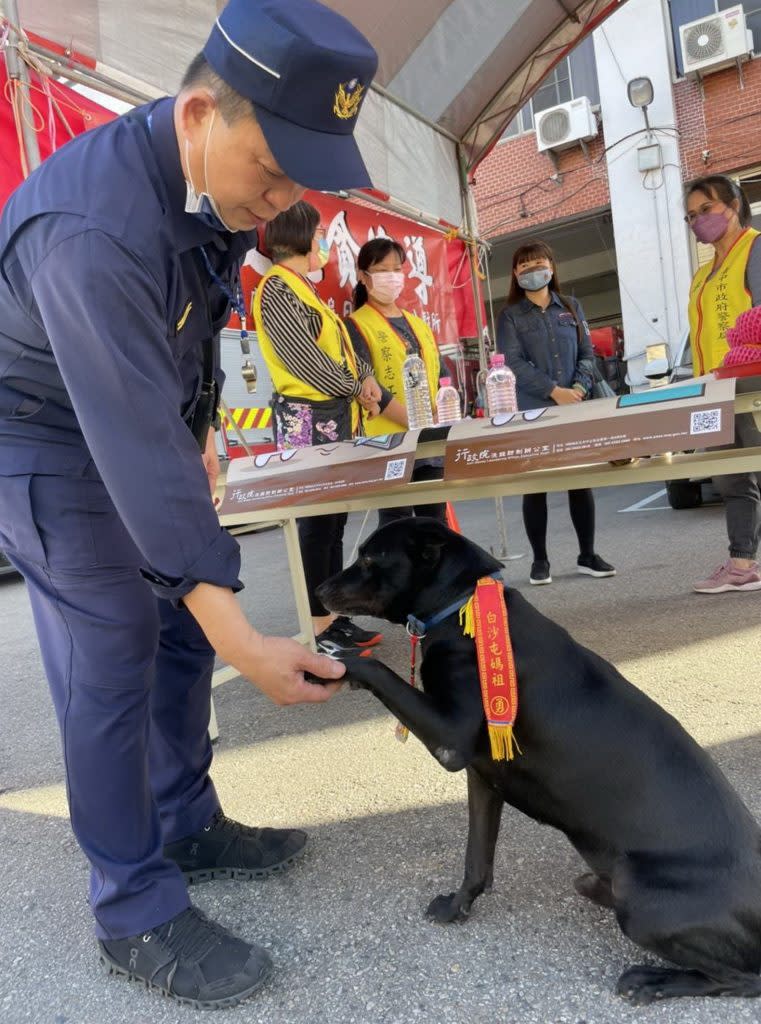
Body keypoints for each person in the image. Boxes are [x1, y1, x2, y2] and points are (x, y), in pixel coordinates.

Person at [0, 0, 377, 1009]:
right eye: (274, 169)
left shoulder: (209, 192)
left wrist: (201, 457)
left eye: (304, 174)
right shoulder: (91, 229)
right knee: (116, 632)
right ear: (201, 112)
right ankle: (132, 907)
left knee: (180, 625)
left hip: (128, 413)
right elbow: (127, 451)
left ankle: (182, 818)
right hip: (34, 434)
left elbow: (179, 363)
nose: (285, 196)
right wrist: (251, 640)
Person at [252, 200, 383, 653]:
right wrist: (355, 386)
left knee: (333, 524)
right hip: (309, 423)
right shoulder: (276, 289)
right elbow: (305, 362)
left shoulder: (302, 289)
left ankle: (333, 615)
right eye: (321, 232)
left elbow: (343, 348)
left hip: (335, 420)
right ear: (303, 237)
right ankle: (318, 625)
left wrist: (364, 377)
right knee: (316, 526)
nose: (325, 241)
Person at [497, 240, 615, 586]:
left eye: (539, 263)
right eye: (524, 266)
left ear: (551, 265)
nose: (533, 271)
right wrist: (553, 391)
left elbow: (588, 354)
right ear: (516, 274)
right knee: (536, 487)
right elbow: (513, 362)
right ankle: (540, 560)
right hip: (535, 411)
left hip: (575, 405)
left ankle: (587, 555)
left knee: (580, 483)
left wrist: (577, 389)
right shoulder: (511, 316)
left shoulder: (571, 307)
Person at [685, 175, 761, 594]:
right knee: (732, 478)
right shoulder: (702, 273)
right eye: (691, 215)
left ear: (732, 204)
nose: (699, 221)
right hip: (712, 388)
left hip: (751, 381)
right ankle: (742, 564)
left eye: (706, 210)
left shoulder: (756, 248)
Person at [345, 236, 447, 526]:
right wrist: (413, 420)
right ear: (364, 277)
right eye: (382, 270)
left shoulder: (418, 323)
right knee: (396, 521)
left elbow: (438, 375)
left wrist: (437, 413)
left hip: (428, 438)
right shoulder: (355, 324)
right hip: (387, 440)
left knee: (434, 520)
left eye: (397, 269)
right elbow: (368, 381)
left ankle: (431, 574)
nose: (392, 277)